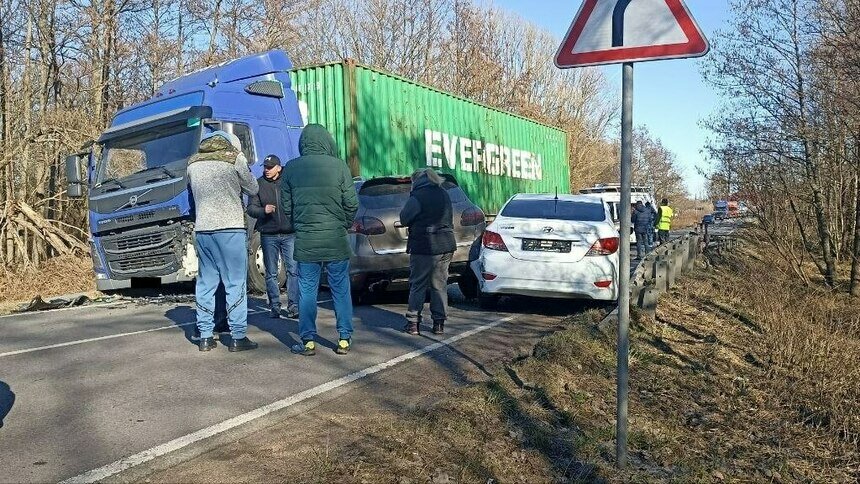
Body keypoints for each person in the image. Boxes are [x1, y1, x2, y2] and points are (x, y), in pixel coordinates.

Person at [281, 124, 358, 356]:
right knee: (341, 290)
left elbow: (287, 206)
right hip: (335, 240)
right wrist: (342, 223)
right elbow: (352, 204)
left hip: (306, 241)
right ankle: (344, 339)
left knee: (307, 291)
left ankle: (308, 341)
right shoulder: (339, 167)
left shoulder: (291, 169)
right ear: (327, 141)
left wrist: (300, 225)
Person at [186, 131, 259, 352]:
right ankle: (237, 336)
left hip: (203, 229)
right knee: (235, 282)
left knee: (206, 283)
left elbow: (191, 196)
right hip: (230, 228)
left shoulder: (192, 163)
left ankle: (206, 336)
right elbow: (253, 188)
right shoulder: (234, 157)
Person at [400, 168, 457, 335]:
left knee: (418, 284)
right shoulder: (444, 194)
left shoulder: (418, 196)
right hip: (446, 244)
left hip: (425, 244)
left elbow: (404, 218)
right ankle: (438, 324)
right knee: (439, 284)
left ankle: (413, 324)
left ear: (417, 180)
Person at [247, 154, 300, 320]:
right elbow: (251, 208)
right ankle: (275, 306)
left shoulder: (289, 181)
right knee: (271, 272)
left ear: (279, 167)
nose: (266, 170)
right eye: (265, 167)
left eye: (270, 167)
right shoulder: (258, 184)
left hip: (289, 233)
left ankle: (293, 306)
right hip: (268, 234)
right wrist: (264, 211)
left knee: (293, 270)